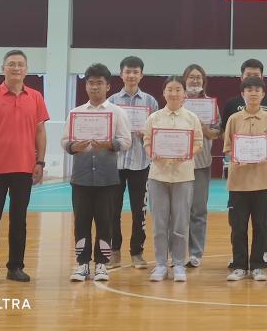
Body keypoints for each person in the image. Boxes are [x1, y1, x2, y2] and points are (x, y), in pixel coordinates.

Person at [0, 49, 50, 285]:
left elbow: (40, 131)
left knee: (19, 221)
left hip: (24, 170)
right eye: (11, 64)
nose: (16, 68)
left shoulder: (35, 97)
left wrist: (40, 162)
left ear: (26, 70)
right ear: (3, 69)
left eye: (20, 64)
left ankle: (15, 267)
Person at [62, 63, 131, 283]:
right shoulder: (75, 113)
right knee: (81, 222)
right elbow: (65, 141)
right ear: (86, 86)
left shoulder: (117, 113)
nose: (94, 87)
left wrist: (109, 144)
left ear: (108, 86)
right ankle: (82, 264)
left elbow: (126, 141)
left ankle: (102, 264)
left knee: (105, 221)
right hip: (81, 178)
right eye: (91, 83)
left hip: (107, 179)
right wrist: (73, 146)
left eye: (99, 83)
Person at [142, 76, 205, 283]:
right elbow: (147, 142)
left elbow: (198, 142)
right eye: (170, 89)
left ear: (184, 93)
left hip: (183, 176)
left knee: (180, 222)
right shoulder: (154, 118)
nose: (174, 93)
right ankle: (161, 264)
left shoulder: (191, 118)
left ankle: (178, 264)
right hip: (158, 176)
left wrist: (186, 154)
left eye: (178, 89)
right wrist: (153, 153)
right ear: (164, 92)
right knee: (159, 223)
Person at [223, 76, 267, 282]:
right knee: (238, 227)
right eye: (249, 90)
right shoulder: (233, 119)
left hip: (263, 182)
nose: (253, 93)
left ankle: (257, 265)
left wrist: (265, 152)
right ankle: (239, 266)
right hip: (238, 183)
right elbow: (227, 149)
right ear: (243, 94)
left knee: (261, 226)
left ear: (263, 94)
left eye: (257, 90)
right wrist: (237, 155)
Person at [107, 55, 159, 269]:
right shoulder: (111, 101)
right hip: (115, 164)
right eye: (127, 71)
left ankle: (137, 252)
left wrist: (146, 134)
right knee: (112, 211)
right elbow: (106, 131)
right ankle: (114, 252)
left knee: (140, 211)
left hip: (141, 164)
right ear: (121, 74)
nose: (131, 75)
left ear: (141, 75)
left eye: (135, 72)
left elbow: (156, 132)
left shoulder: (150, 102)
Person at [183, 64, 221, 268]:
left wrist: (202, 127)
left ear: (204, 81)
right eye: (191, 77)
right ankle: (177, 253)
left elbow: (216, 134)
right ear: (184, 80)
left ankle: (195, 254)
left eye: (199, 77)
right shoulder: (176, 101)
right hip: (177, 165)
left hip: (201, 164)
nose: (195, 80)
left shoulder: (210, 105)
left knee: (198, 211)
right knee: (177, 212)